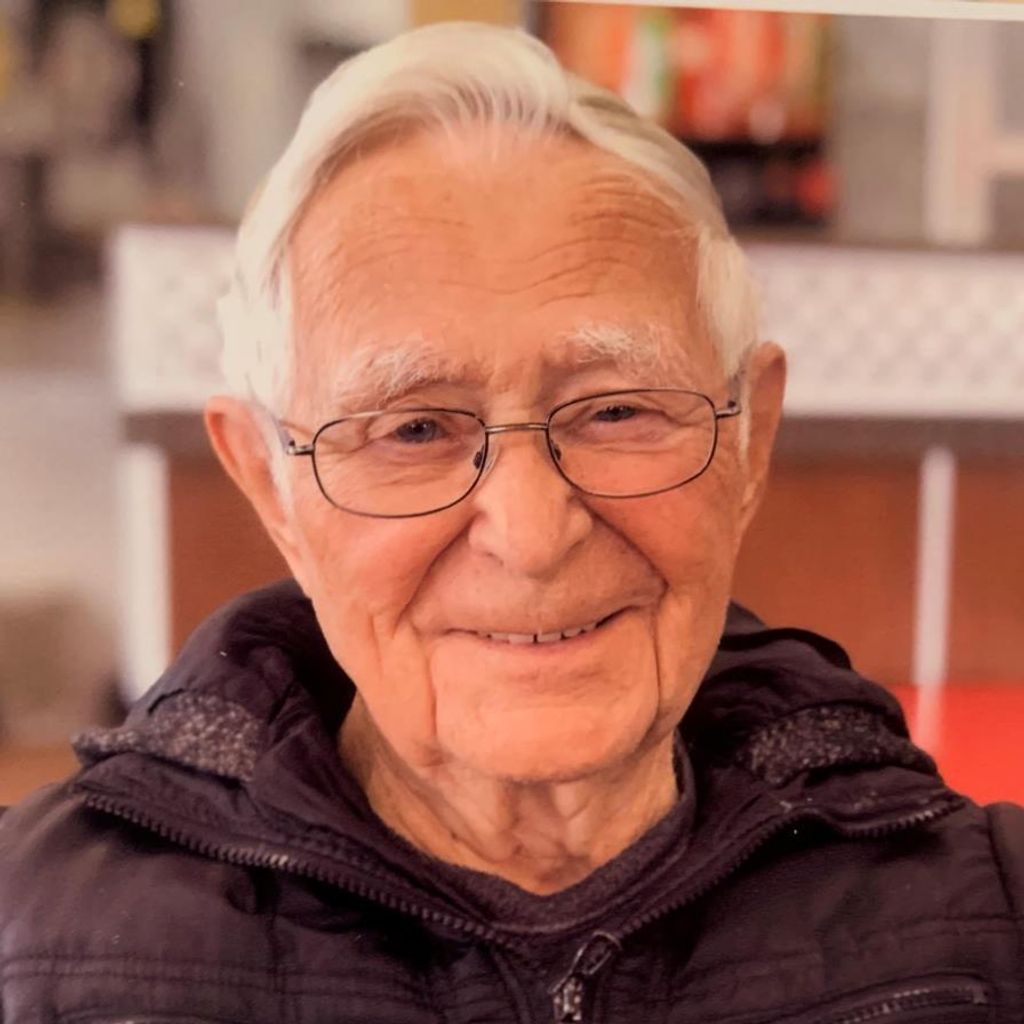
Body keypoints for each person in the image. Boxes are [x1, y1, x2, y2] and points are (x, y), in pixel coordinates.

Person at [2, 21, 1022, 1024]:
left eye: (617, 410)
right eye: (413, 429)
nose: (532, 536)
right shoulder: (34, 943)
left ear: (749, 440)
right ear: (272, 487)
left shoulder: (988, 924)